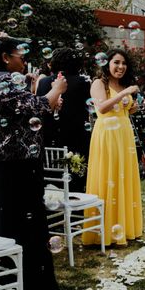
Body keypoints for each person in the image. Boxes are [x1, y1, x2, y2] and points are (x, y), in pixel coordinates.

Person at [0, 37, 66, 290]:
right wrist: (56, 89)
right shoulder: (3, 80)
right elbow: (39, 107)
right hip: (17, 165)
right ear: (6, 57)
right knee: (27, 225)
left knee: (7, 225)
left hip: (3, 165)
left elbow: (28, 111)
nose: (23, 59)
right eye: (20, 54)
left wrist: (47, 101)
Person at [82, 49, 142, 247]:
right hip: (107, 135)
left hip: (124, 134)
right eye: (116, 62)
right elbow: (102, 108)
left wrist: (134, 106)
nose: (121, 67)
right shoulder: (99, 83)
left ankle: (125, 227)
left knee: (123, 177)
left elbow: (124, 109)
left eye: (124, 63)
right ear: (107, 64)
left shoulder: (123, 84)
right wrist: (125, 94)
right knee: (109, 178)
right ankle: (103, 232)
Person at [36, 48, 92, 192]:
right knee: (77, 179)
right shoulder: (82, 82)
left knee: (53, 177)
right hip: (76, 138)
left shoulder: (43, 82)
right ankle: (76, 207)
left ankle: (56, 202)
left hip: (50, 138)